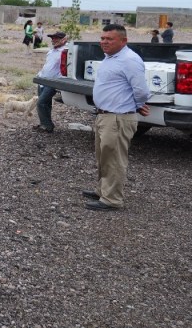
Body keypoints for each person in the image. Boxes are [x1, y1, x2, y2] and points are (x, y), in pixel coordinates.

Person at [83, 24, 150, 211]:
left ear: (123, 41)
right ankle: (103, 190)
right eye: (102, 38)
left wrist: (137, 104)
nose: (104, 42)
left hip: (118, 118)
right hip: (105, 116)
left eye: (109, 39)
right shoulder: (110, 57)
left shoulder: (129, 60)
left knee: (113, 159)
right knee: (103, 157)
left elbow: (141, 91)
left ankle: (112, 200)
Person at [34, 31, 68, 133]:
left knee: (41, 103)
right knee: (46, 104)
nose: (54, 40)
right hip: (42, 79)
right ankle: (45, 124)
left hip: (53, 81)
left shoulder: (65, 51)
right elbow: (48, 65)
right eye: (52, 38)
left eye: (56, 38)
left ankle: (47, 125)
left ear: (64, 39)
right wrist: (40, 74)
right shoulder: (52, 51)